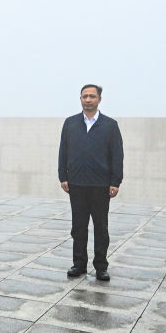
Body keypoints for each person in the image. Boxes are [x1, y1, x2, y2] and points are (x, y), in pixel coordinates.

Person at [58, 84, 123, 281]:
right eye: (84, 96)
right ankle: (79, 264)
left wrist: (115, 181)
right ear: (80, 99)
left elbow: (117, 155)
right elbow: (63, 151)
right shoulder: (70, 123)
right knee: (78, 227)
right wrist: (63, 176)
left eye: (92, 96)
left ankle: (101, 266)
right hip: (76, 184)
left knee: (101, 228)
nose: (88, 99)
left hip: (100, 185)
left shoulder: (110, 125)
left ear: (99, 99)